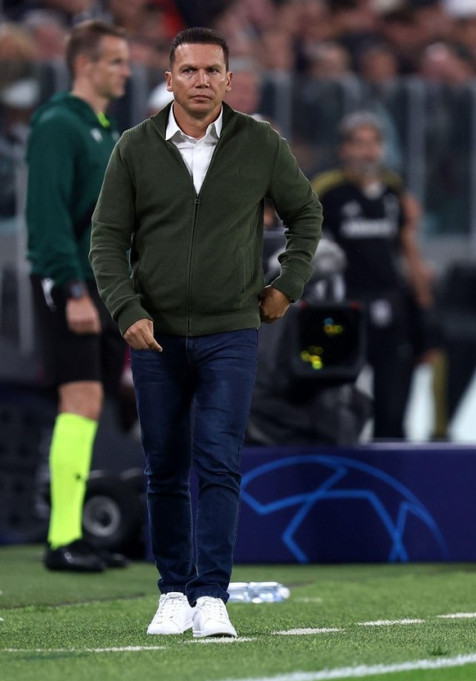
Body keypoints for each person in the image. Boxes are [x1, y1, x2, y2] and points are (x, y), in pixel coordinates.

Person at [89, 27, 322, 637]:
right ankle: (173, 592)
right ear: (168, 80)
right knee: (164, 466)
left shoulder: (261, 143)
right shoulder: (134, 148)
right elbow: (106, 238)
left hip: (231, 331)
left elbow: (306, 213)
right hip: (155, 335)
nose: (200, 81)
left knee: (219, 461)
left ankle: (212, 595)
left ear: (229, 80)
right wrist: (126, 309)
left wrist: (288, 284)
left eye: (212, 70)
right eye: (188, 71)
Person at [26, 19, 131, 573]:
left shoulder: (104, 128)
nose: (126, 71)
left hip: (104, 283)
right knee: (80, 402)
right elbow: (45, 217)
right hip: (72, 282)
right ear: (84, 65)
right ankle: (62, 537)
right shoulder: (57, 125)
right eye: (115, 61)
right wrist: (70, 289)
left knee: (91, 407)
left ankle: (73, 533)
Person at [311, 112, 436, 440]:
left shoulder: (393, 190)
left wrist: (423, 302)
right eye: (359, 143)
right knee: (338, 397)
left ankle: (391, 454)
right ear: (344, 149)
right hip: (345, 307)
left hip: (391, 304)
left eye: (374, 143)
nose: (367, 152)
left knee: (394, 398)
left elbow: (407, 246)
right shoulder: (327, 190)